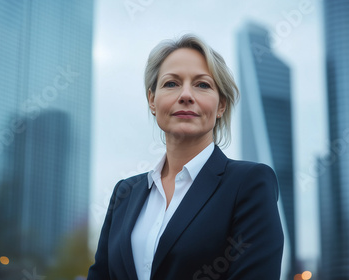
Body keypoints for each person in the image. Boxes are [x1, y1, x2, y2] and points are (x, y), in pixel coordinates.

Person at [88, 34, 283, 280]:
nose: (186, 95)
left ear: (221, 105)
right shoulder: (125, 193)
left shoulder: (250, 183)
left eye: (202, 85)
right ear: (152, 100)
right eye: (171, 84)